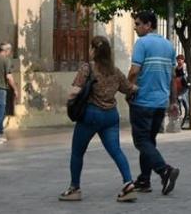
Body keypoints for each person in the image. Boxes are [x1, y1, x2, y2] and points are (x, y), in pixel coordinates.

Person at [59, 36, 138, 202]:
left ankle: (75, 188)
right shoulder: (115, 71)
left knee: (78, 152)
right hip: (111, 116)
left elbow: (74, 91)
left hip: (91, 115)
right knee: (116, 151)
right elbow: (129, 89)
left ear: (94, 50)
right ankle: (128, 183)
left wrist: (69, 100)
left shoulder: (88, 68)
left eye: (90, 47)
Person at [128, 11, 180, 196]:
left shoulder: (142, 43)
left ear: (148, 25)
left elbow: (134, 70)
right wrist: (173, 101)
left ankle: (164, 170)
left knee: (141, 141)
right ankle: (144, 179)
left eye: (138, 23)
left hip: (143, 101)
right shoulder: (168, 45)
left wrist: (128, 88)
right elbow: (173, 76)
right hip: (160, 103)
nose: (135, 27)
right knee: (149, 141)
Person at [174, 54, 190, 129]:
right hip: (178, 87)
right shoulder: (176, 68)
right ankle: (181, 118)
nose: (179, 61)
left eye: (180, 60)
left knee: (185, 103)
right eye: (178, 60)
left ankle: (187, 115)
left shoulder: (185, 67)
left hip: (184, 87)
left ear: (183, 60)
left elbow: (186, 76)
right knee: (179, 103)